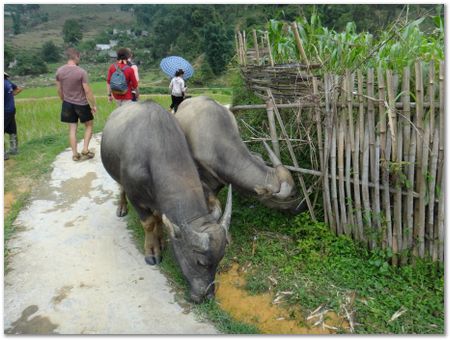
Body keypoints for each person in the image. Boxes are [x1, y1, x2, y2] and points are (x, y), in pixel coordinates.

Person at [56, 47, 97, 162]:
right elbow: (87, 90)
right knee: (89, 125)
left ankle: (75, 154)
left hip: (67, 104)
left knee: (72, 129)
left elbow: (59, 89)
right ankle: (85, 149)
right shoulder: (81, 72)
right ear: (76, 56)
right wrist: (93, 105)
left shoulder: (59, 71)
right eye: (79, 57)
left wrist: (63, 100)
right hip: (82, 104)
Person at [4, 72, 23, 160]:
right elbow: (18, 89)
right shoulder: (8, 82)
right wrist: (10, 96)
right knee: (12, 129)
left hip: (4, 111)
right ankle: (14, 149)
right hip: (11, 109)